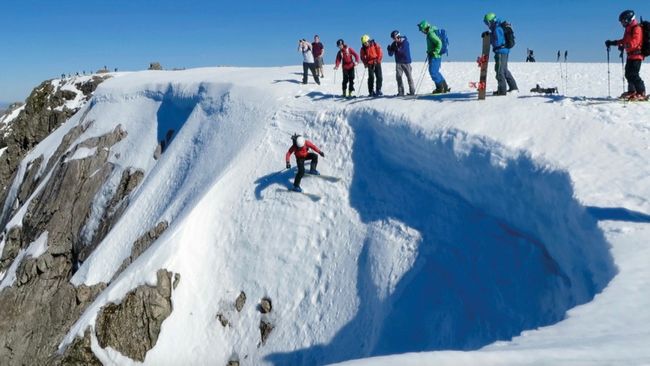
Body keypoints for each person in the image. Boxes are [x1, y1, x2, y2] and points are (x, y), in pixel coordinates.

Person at [606, 10, 646, 101]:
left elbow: (634, 42)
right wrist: (613, 43)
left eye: (623, 21)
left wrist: (624, 46)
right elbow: (624, 40)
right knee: (628, 74)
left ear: (629, 19)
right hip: (630, 56)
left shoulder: (636, 28)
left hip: (637, 56)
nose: (622, 23)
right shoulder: (628, 29)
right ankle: (632, 91)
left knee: (634, 74)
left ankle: (641, 92)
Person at [483, 13, 519, 95]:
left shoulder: (497, 29)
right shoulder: (497, 28)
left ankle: (501, 91)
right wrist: (490, 34)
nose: (487, 25)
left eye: (487, 23)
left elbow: (497, 42)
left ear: (491, 21)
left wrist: (489, 39)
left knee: (499, 71)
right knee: (504, 70)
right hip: (504, 51)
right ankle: (513, 87)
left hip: (500, 52)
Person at [417, 20, 450, 94]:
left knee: (433, 72)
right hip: (434, 55)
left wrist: (435, 51)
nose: (421, 32)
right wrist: (430, 51)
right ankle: (445, 87)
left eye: (421, 29)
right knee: (436, 72)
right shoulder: (431, 32)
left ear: (424, 28)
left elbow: (439, 43)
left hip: (435, 56)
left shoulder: (431, 34)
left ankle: (440, 88)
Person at [387, 30, 415, 96]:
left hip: (406, 62)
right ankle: (401, 92)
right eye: (393, 38)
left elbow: (402, 51)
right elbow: (391, 54)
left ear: (398, 36)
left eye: (394, 38)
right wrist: (389, 50)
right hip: (398, 63)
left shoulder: (405, 42)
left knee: (409, 77)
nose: (394, 39)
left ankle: (412, 92)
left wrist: (396, 49)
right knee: (398, 77)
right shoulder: (394, 44)